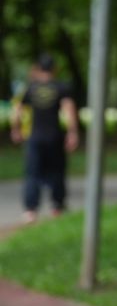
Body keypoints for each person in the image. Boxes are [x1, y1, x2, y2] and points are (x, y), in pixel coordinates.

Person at [10, 54, 79, 223]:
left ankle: (30, 211)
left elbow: (17, 110)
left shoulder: (30, 88)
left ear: (38, 68)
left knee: (32, 173)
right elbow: (69, 110)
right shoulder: (61, 87)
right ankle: (57, 207)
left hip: (34, 137)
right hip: (54, 137)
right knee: (57, 171)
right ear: (54, 69)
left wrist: (16, 129)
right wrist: (72, 133)